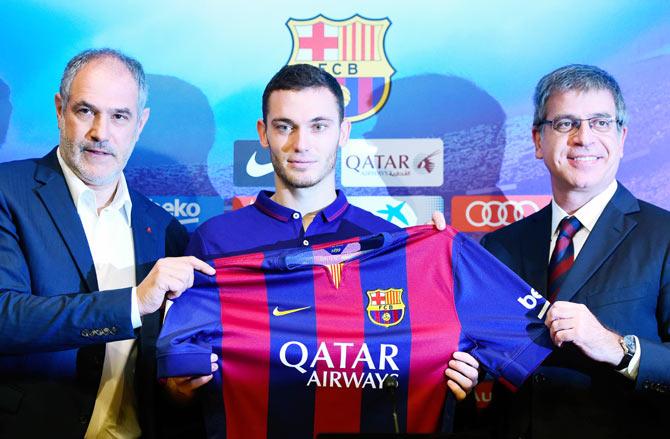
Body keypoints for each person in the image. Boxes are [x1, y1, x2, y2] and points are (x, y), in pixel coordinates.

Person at [165, 63, 480, 426]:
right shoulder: (214, 240)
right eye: (285, 127)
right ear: (263, 133)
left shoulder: (387, 243)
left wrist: (456, 375)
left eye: (319, 126)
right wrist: (180, 387)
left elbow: (418, 359)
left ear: (343, 132)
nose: (301, 144)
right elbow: (177, 388)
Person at [0, 48, 214, 438]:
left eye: (119, 116)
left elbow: (157, 374)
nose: (101, 132)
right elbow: (4, 317)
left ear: (140, 123)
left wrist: (179, 393)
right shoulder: (7, 191)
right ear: (60, 109)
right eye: (85, 111)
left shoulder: (166, 230)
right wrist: (133, 303)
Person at [481, 64, 670, 438]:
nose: (584, 137)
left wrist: (618, 347)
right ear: (537, 140)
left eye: (600, 122)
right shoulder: (500, 246)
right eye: (566, 123)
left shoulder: (664, 237)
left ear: (622, 137)